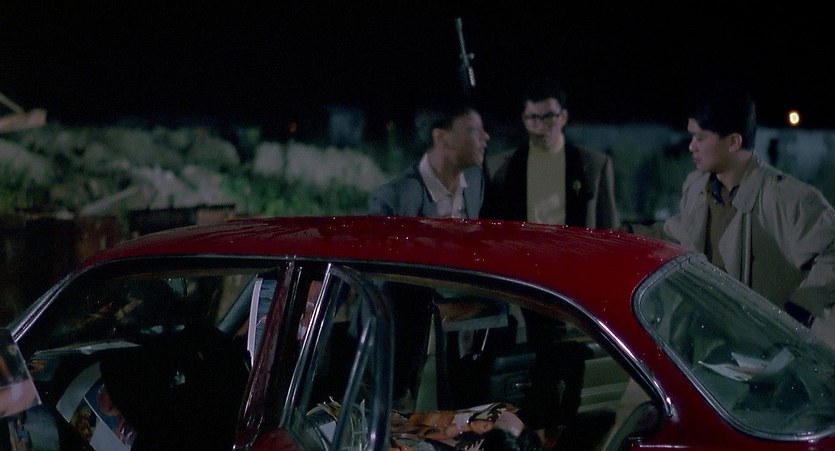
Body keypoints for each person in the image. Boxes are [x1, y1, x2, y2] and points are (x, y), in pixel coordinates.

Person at [627, 80, 835, 345]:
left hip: (763, 351)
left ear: (734, 142)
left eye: (701, 138)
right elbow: (676, 232)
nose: (691, 146)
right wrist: (624, 235)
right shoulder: (698, 190)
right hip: (703, 347)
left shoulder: (785, 198)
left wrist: (798, 312)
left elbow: (831, 250)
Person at [481, 77, 620, 229]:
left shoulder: (594, 164)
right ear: (524, 119)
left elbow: (610, 229)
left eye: (549, 117)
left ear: (563, 117)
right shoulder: (500, 167)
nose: (541, 126)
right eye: (533, 117)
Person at [368, 99, 489, 218]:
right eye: (474, 130)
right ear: (440, 137)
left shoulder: (475, 181)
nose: (485, 136)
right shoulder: (393, 199)